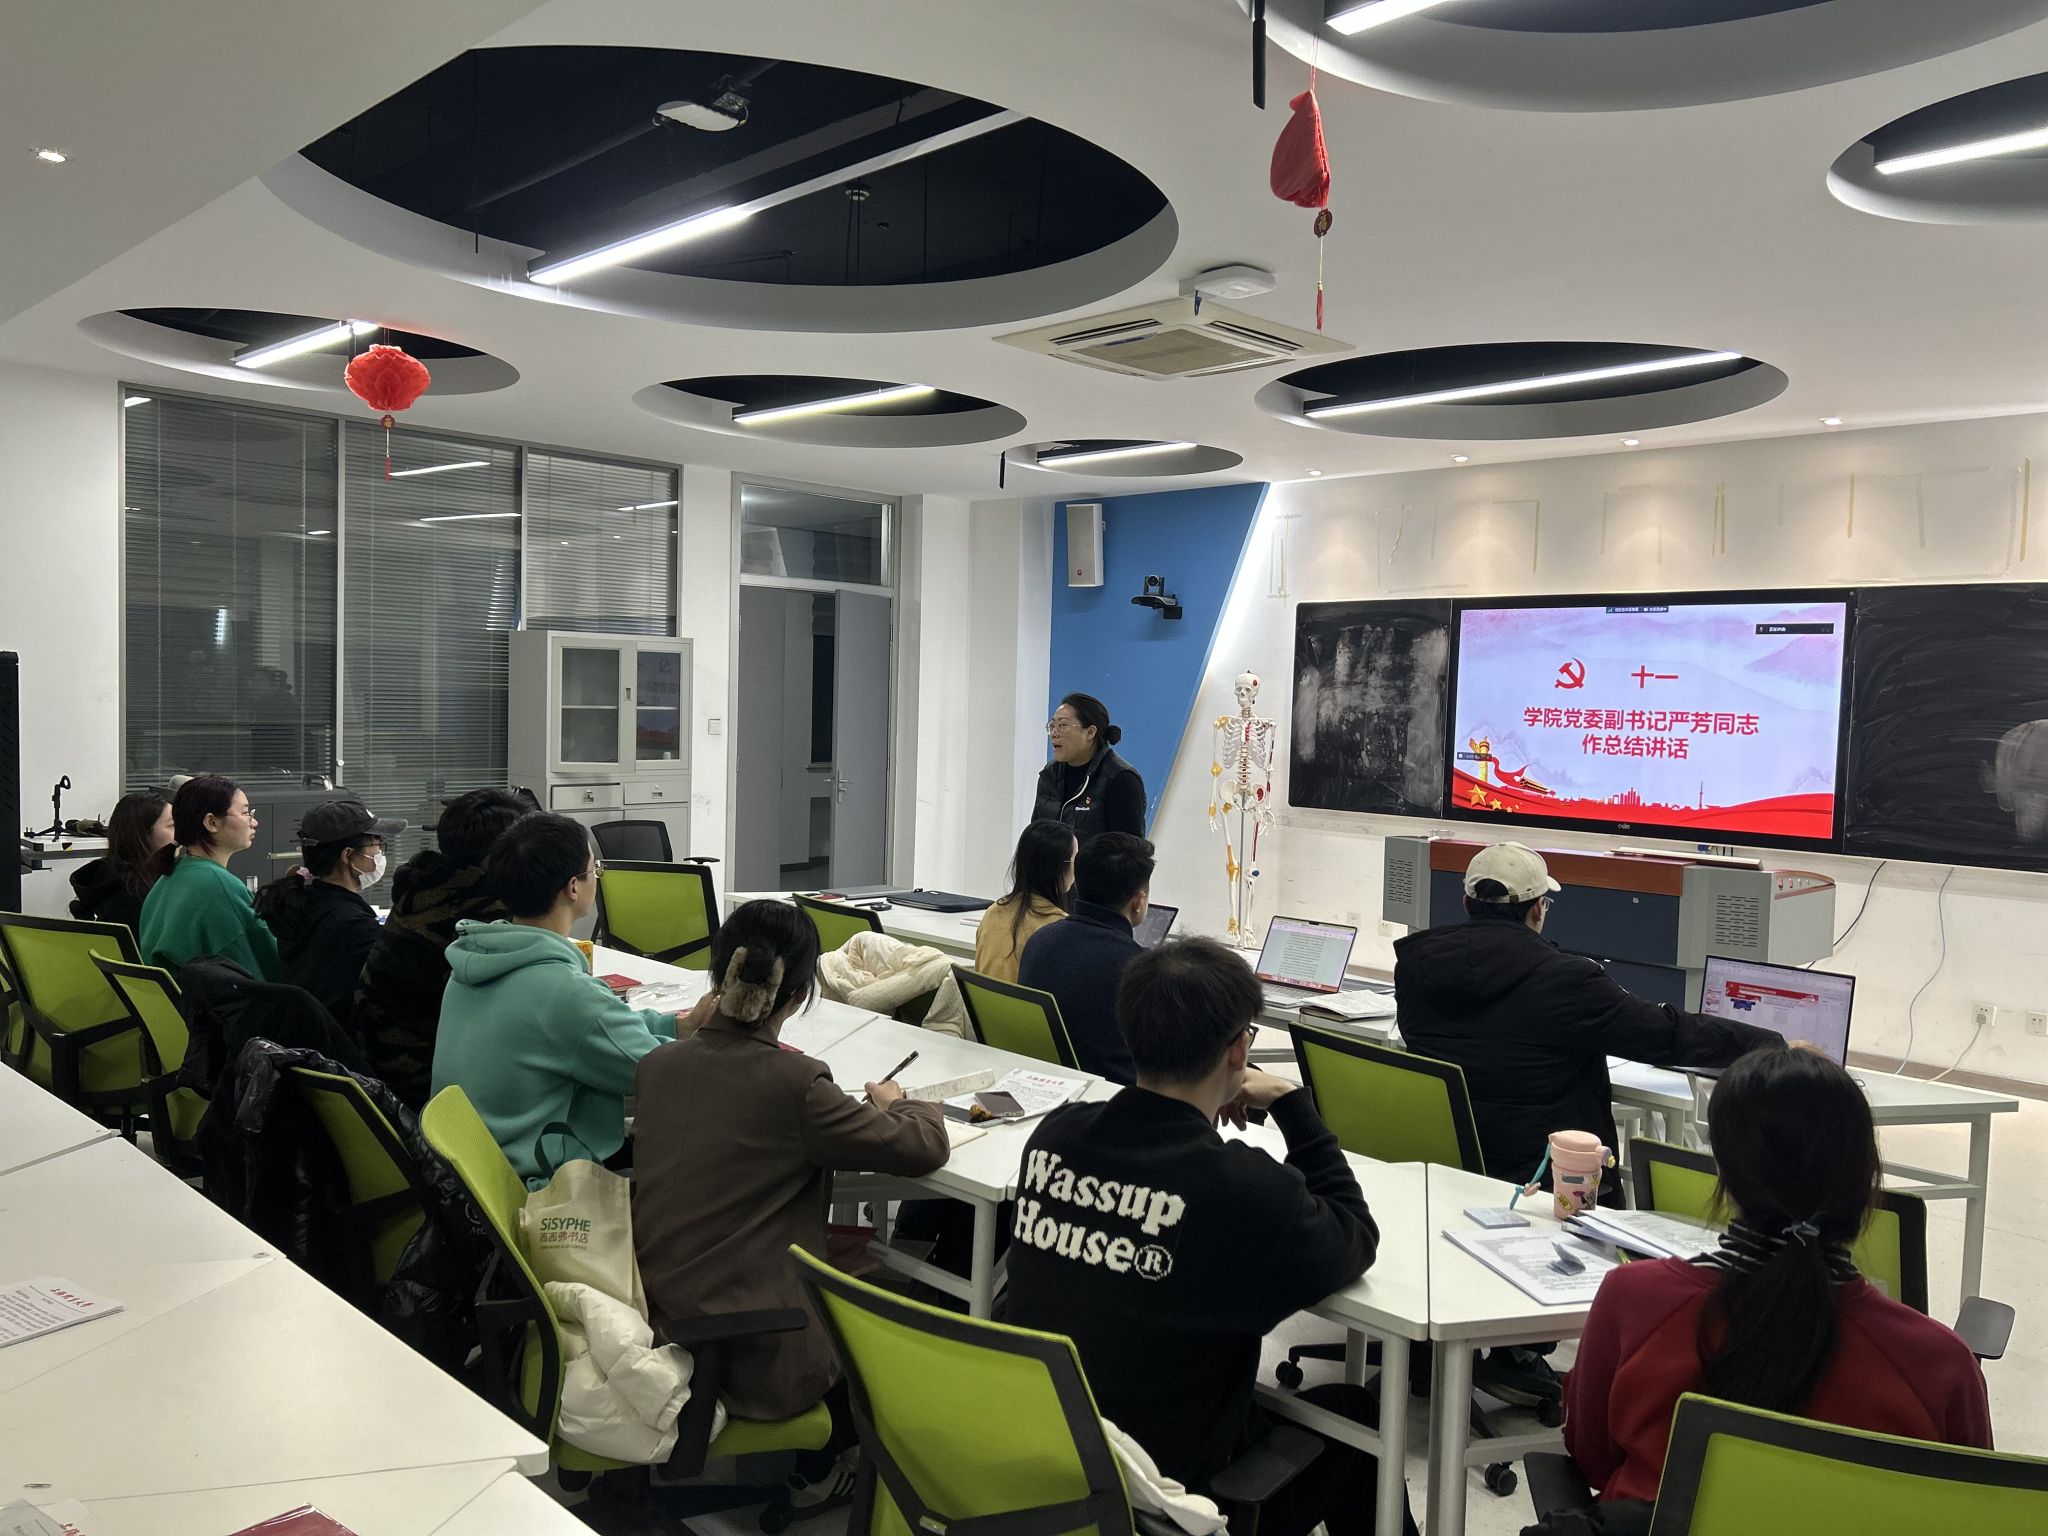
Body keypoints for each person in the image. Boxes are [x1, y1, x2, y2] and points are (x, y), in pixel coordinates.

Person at [1005, 938, 1417, 1536]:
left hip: (1047, 1456)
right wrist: (1293, 1106)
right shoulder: (1246, 1190)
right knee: (1354, 1420)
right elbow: (1354, 1235)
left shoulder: (1055, 1136)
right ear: (1239, 1051)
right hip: (1166, 1500)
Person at [1559, 1049, 1991, 1534]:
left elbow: (1592, 1458)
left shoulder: (1635, 1299)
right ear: (1867, 1178)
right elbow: (1971, 1515)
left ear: (1725, 1176)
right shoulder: (1938, 1363)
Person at [634, 899, 949, 1512]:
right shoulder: (797, 1085)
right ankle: (822, 1471)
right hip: (753, 1350)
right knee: (908, 1305)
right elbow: (922, 1147)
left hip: (655, 1315)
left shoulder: (657, 1065)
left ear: (718, 973)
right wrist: (903, 1103)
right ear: (800, 994)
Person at [1395, 842, 1782, 1192]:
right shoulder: (1566, 980)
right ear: (1538, 909)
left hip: (1450, 1173)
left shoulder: (1414, 965)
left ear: (1467, 904)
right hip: (1554, 1185)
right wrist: (1768, 1045)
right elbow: (1665, 1035)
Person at [430, 813, 678, 1184]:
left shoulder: (475, 961)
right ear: (573, 887)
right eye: (594, 870)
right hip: (537, 1190)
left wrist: (674, 1026)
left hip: (473, 1179)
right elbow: (662, 1072)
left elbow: (591, 1030)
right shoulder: (565, 991)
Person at [354, 787, 532, 1108]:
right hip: (430, 1093)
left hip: (383, 1075)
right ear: (500, 856)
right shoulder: (480, 912)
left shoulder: (425, 889)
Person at [254, 798, 405, 1030]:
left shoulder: (302, 903)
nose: (380, 853)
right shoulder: (353, 926)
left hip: (306, 1035)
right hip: (342, 1042)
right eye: (377, 844)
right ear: (348, 855)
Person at [1017, 831, 1152, 1084]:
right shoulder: (1138, 967)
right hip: (1113, 1096)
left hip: (1044, 1084)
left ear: (1077, 883)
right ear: (1138, 901)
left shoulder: (1039, 941)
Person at [137, 775, 279, 981]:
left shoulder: (171, 876)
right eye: (245, 813)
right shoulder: (219, 885)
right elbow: (266, 964)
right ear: (211, 822)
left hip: (177, 999)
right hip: (212, 1000)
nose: (254, 822)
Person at [972, 818, 1076, 984]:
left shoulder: (994, 911)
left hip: (986, 1001)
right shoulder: (1059, 928)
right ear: (1057, 867)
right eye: (1074, 860)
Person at [1032, 692, 1146, 840]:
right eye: (1052, 726)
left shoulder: (1121, 779)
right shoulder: (1049, 775)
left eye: (1062, 725)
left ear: (1090, 732)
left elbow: (1129, 851)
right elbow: (1034, 840)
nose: (1054, 733)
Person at [68, 789, 173, 935]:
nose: (180, 833)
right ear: (142, 833)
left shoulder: (104, 877)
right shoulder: (131, 897)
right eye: (172, 825)